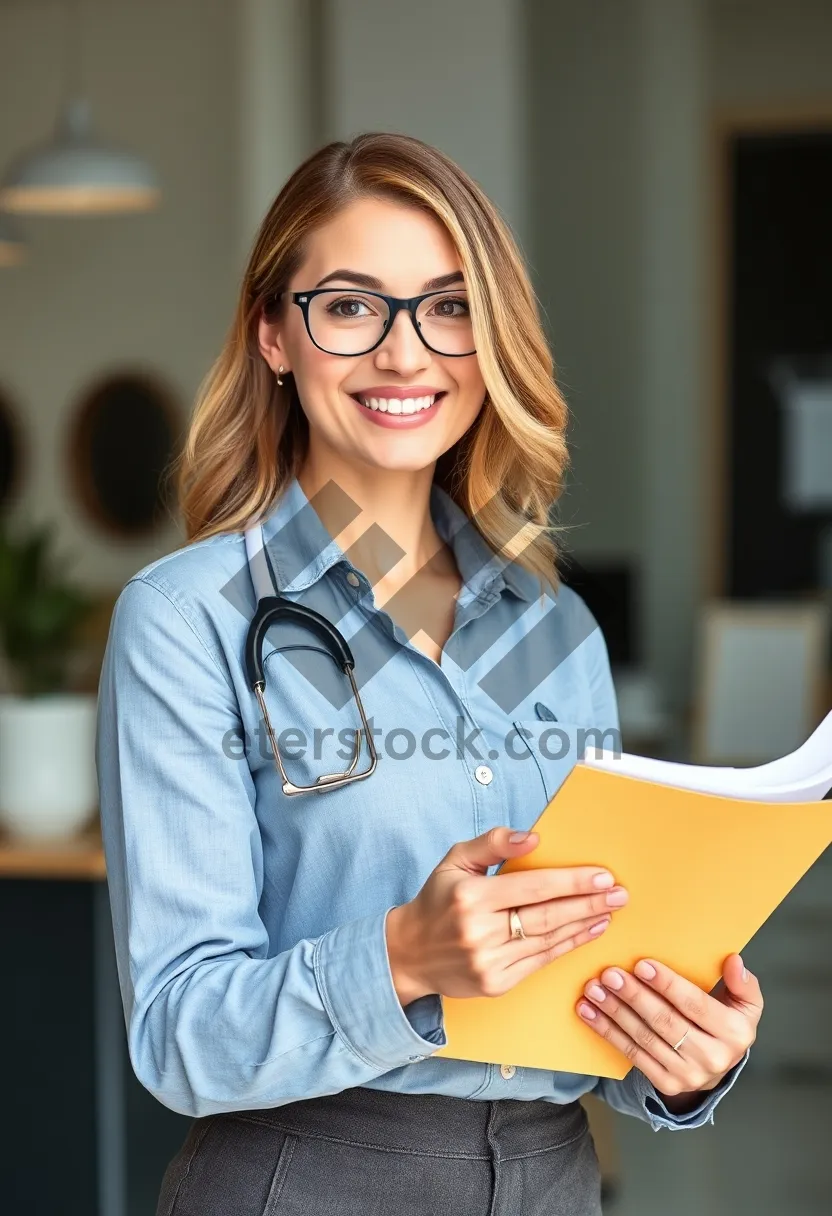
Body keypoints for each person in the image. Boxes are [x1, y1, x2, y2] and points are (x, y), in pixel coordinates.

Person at [96, 132, 761, 1216]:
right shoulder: (186, 622)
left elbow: (594, 968)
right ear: (274, 334)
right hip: (310, 1177)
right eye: (351, 306)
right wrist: (402, 955)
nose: (406, 355)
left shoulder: (557, 632)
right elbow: (178, 1035)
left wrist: (685, 1051)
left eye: (448, 308)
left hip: (552, 1177)